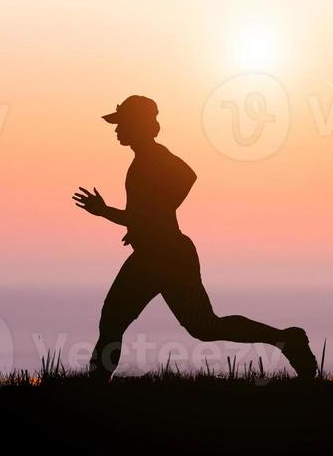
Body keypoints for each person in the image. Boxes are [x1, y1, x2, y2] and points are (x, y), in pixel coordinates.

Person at [73, 96, 317, 382]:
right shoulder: (144, 159)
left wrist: (109, 212)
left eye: (122, 124)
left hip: (164, 257)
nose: (116, 131)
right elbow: (150, 207)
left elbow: (186, 177)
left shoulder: (153, 157)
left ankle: (287, 340)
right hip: (159, 253)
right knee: (185, 326)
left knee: (186, 326)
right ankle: (287, 340)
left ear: (138, 126)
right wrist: (143, 224)